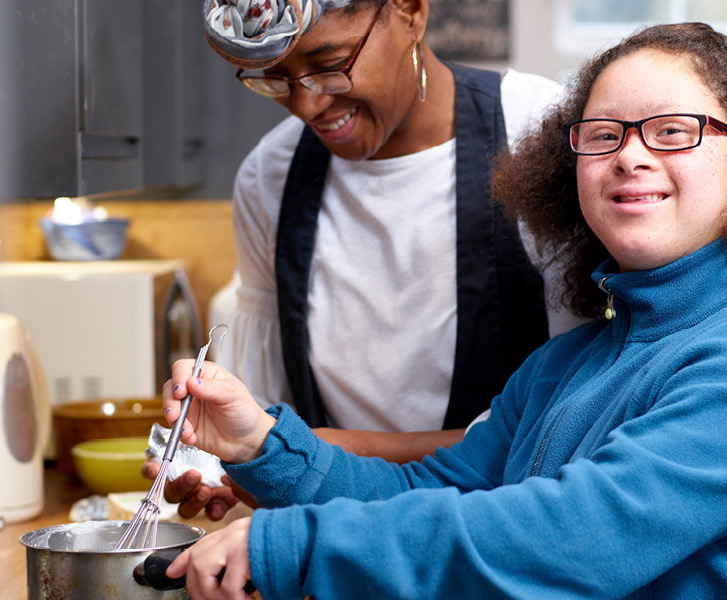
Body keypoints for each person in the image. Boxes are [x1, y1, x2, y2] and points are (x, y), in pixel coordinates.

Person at [162, 21, 727, 599]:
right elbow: (426, 489)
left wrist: (297, 545)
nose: (630, 157)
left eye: (672, 131)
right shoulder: (568, 361)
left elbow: (573, 541)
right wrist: (261, 443)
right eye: (604, 135)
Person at [149, 0, 577, 519]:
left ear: (412, 11)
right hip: (338, 540)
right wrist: (234, 462)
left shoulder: (542, 137)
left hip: (498, 534)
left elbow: (567, 423)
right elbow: (264, 394)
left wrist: (305, 454)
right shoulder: (271, 175)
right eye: (277, 79)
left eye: (329, 65)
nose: (306, 107)